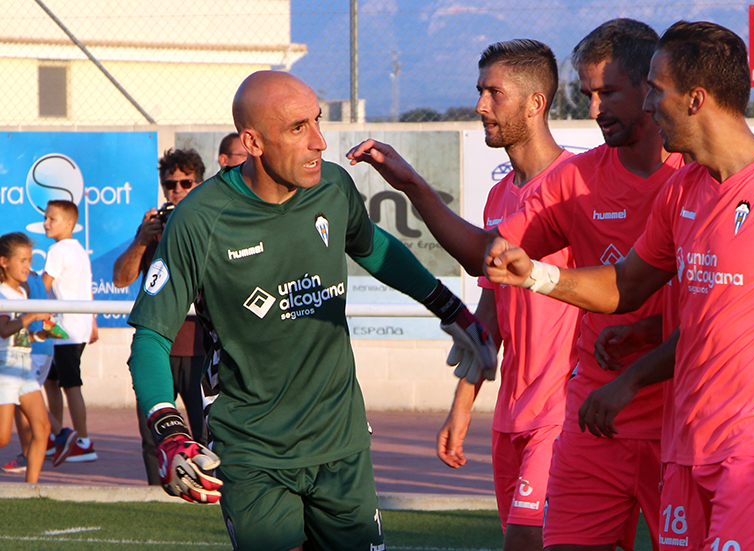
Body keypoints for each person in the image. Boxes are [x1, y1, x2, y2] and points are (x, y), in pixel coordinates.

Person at [486, 21, 754, 549]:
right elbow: (626, 284)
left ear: (695, 99)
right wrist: (537, 275)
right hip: (687, 444)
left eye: (656, 89)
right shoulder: (683, 189)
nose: (649, 103)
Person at [126, 70, 496, 551]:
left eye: (317, 121)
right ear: (253, 142)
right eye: (298, 128)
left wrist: (449, 308)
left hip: (340, 444)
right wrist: (169, 432)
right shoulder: (199, 218)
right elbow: (151, 336)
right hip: (252, 451)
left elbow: (372, 246)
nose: (319, 141)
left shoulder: (333, 187)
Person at [349, 20, 680, 551]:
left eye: (606, 93)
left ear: (650, 87)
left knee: (527, 539)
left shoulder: (691, 180)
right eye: (588, 95)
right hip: (582, 417)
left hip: (655, 418)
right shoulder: (567, 183)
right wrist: (414, 186)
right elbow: (490, 269)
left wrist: (641, 351)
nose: (594, 109)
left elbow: (692, 303)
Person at [357, 39, 579, 551]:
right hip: (511, 415)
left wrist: (413, 184)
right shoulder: (500, 194)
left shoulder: (575, 182)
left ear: (535, 102)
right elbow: (492, 310)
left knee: (527, 541)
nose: (480, 105)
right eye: (480, 90)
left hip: (561, 413)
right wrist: (462, 406)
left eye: (494, 93)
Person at [112, 148, 208, 485]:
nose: (177, 190)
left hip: (200, 348)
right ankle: (158, 494)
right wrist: (142, 239)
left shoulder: (209, 222)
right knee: (156, 437)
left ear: (199, 183)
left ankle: (210, 493)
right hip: (159, 347)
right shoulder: (152, 228)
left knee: (206, 433)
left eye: (186, 183)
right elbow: (120, 279)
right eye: (171, 184)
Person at [42, 200, 98, 465]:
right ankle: (56, 437)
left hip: (65, 331)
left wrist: (15, 298)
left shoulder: (58, 250)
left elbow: (42, 287)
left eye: (51, 219)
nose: (46, 223)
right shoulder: (78, 249)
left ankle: (83, 442)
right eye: (45, 218)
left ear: (69, 223)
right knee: (50, 380)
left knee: (70, 385)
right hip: (73, 329)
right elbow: (86, 289)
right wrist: (93, 323)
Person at [0, 232, 53, 483]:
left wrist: (39, 335)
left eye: (29, 260)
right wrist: (32, 316)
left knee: (42, 428)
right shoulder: (2, 292)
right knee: (2, 437)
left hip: (24, 367)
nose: (27, 266)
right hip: (5, 368)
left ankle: (30, 489)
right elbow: (3, 330)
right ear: (4, 262)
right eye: (22, 260)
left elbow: (17, 336)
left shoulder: (22, 291)